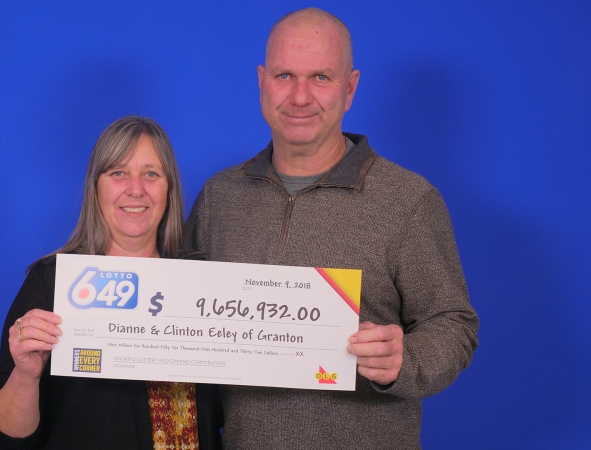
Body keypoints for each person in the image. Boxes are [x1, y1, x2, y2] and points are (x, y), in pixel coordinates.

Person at [184, 8, 479, 449]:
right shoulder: (220, 196)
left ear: (350, 88)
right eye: (284, 76)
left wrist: (406, 359)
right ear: (261, 81)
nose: (300, 97)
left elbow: (453, 324)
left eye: (320, 77)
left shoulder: (408, 201)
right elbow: (179, 315)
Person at [0, 116, 222, 449]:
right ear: (96, 187)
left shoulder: (204, 281)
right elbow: (5, 437)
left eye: (151, 174)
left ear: (169, 188)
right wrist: (26, 375)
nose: (136, 189)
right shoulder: (53, 281)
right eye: (118, 173)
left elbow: (229, 410)